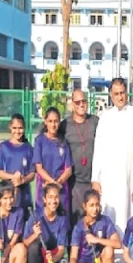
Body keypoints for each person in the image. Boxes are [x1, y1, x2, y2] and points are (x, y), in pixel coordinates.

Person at [91, 78, 133, 238]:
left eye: (122, 93)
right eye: (116, 94)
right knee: (111, 211)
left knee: (131, 210)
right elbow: (98, 150)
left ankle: (129, 246)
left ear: (126, 93)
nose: (120, 97)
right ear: (111, 95)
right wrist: (95, 178)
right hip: (109, 178)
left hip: (131, 176)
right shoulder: (105, 118)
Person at [69, 190, 122, 263]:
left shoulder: (105, 221)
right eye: (91, 205)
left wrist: (96, 240)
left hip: (101, 262)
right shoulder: (78, 227)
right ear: (85, 206)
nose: (95, 209)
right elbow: (73, 256)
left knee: (109, 250)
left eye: (97, 205)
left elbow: (118, 244)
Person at [23, 183, 70, 263]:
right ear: (44, 199)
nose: (53, 201)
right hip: (35, 257)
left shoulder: (62, 219)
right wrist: (35, 235)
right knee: (34, 246)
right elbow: (25, 243)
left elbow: (61, 249)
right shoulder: (35, 215)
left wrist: (54, 258)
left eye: (56, 197)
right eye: (50, 197)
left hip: (52, 255)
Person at [59, 89, 99, 226]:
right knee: (76, 220)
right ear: (72, 104)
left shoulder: (95, 121)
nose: (81, 105)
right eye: (77, 102)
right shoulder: (65, 125)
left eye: (83, 101)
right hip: (74, 182)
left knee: (94, 219)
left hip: (93, 180)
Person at [0, 113, 35, 218]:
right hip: (8, 197)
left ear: (24, 128)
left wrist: (23, 180)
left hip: (25, 197)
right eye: (15, 128)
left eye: (20, 128)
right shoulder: (4, 147)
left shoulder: (28, 148)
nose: (17, 131)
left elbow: (32, 174)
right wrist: (13, 177)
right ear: (10, 128)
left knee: (25, 225)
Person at [33, 107, 73, 213]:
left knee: (61, 219)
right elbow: (38, 167)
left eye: (56, 121)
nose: (53, 125)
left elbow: (68, 170)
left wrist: (58, 183)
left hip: (61, 190)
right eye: (50, 121)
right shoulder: (39, 141)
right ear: (45, 122)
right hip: (44, 188)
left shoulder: (63, 142)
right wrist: (51, 183)